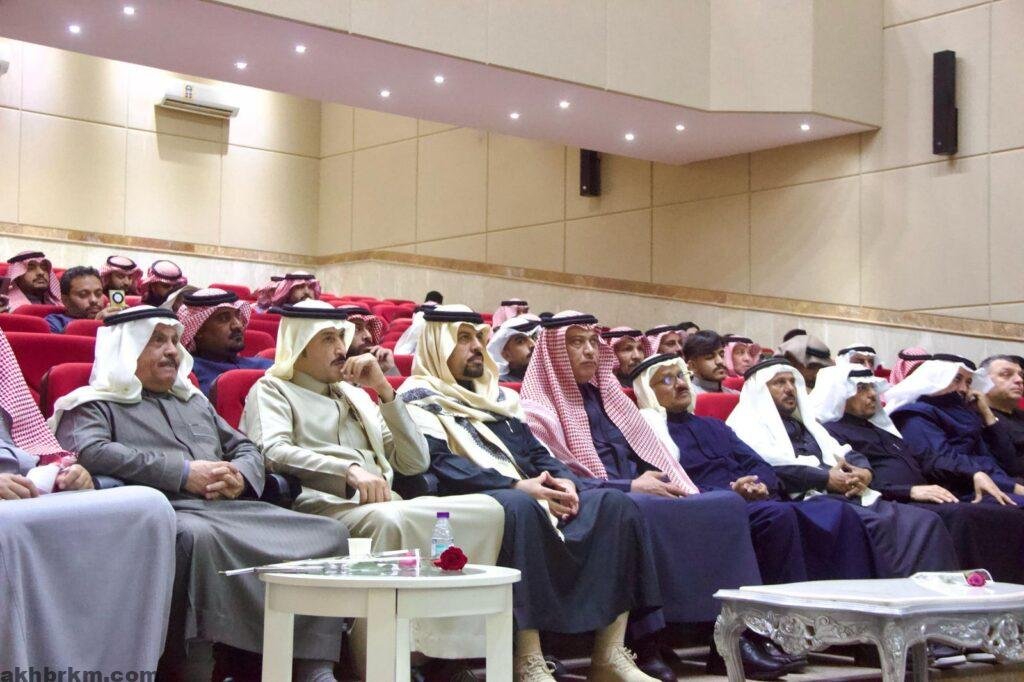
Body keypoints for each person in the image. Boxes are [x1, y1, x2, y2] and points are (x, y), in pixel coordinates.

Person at [51, 306, 348, 682]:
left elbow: (245, 447)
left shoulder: (191, 400)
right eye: (157, 341)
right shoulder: (91, 403)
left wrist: (241, 477)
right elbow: (91, 451)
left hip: (228, 508)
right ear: (126, 349)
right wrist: (182, 473)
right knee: (196, 538)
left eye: (174, 340)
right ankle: (196, 667)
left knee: (327, 534)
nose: (171, 350)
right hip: (163, 511)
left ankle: (313, 667)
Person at [399, 305, 664, 682]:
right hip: (474, 497)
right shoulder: (417, 398)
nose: (476, 347)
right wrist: (515, 485)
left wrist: (564, 479)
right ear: (436, 346)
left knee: (615, 504)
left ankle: (610, 654)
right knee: (522, 506)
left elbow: (538, 453)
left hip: (527, 492)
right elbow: (440, 464)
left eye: (478, 338)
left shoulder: (498, 399)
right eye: (463, 339)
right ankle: (527, 659)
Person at [241, 301, 504, 670]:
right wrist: (347, 470)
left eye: (341, 337)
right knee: (389, 521)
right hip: (321, 506)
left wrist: (384, 391)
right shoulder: (272, 389)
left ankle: (443, 654)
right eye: (328, 339)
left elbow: (414, 462)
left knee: (489, 510)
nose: (341, 348)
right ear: (299, 346)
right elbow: (271, 450)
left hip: (384, 502)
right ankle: (378, 665)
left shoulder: (357, 394)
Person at [520, 312, 783, 681]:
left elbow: (649, 451)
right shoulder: (537, 407)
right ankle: (645, 644)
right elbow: (558, 475)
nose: (589, 351)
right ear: (554, 352)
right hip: (600, 497)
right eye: (576, 343)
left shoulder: (609, 395)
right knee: (637, 508)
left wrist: (667, 484)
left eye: (593, 342)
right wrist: (630, 486)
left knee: (724, 505)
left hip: (642, 488)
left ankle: (731, 639)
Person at [635, 353, 876, 583]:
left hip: (757, 501)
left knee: (837, 511)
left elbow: (758, 464)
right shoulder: (649, 433)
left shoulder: (714, 426)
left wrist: (759, 484)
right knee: (779, 517)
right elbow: (672, 483)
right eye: (668, 380)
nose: (680, 384)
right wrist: (732, 492)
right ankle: (788, 605)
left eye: (681, 376)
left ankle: (853, 601)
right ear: (648, 390)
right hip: (710, 508)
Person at [726, 358, 958, 578]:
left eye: (791, 381)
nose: (789, 389)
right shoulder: (745, 424)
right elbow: (768, 468)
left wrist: (864, 472)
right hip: (806, 499)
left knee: (926, 521)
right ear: (760, 390)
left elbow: (846, 451)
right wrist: (825, 479)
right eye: (779, 383)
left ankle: (937, 598)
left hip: (845, 494)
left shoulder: (805, 422)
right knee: (876, 526)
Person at [813, 364, 1024, 583]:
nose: (873, 394)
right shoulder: (831, 433)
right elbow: (855, 482)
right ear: (840, 392)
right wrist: (910, 491)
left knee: (1002, 511)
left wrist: (974, 473)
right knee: (963, 516)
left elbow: (928, 461)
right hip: (885, 502)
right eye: (861, 388)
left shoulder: (883, 431)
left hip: (922, 496)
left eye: (873, 387)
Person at [885, 355, 1024, 503]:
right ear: (937, 379)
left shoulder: (967, 415)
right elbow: (939, 461)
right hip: (955, 491)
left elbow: (1007, 463)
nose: (964, 389)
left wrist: (986, 413)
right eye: (956, 379)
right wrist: (1011, 487)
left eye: (968, 382)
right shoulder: (915, 414)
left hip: (993, 482)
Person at [178, 288, 273, 396]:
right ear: (198, 330)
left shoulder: (268, 366)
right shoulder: (187, 375)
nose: (238, 325)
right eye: (223, 318)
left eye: (238, 316)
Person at [44, 266, 122, 333]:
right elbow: (60, 344)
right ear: (65, 300)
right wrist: (95, 324)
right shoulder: (54, 322)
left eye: (98, 294)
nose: (94, 300)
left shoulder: (111, 318)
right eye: (83, 295)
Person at [983, 355, 1024, 478]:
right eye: (1006, 374)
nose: (1019, 380)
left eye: (1021, 375)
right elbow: (1011, 467)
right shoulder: (977, 417)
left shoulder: (1020, 414)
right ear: (983, 381)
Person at [335, 304, 398, 376]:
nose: (368, 336)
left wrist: (387, 369)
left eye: (368, 329)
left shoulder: (375, 366)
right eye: (357, 329)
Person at [486, 314, 540, 383]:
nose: (533, 345)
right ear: (506, 355)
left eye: (534, 337)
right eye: (520, 341)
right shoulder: (501, 384)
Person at [683, 330, 738, 395]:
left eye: (722, 355)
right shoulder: (687, 397)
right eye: (710, 357)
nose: (720, 361)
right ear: (692, 366)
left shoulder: (736, 395)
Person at [253, 272, 321, 313]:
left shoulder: (321, 310)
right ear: (288, 291)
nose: (306, 291)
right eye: (299, 287)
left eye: (310, 287)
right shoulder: (275, 313)